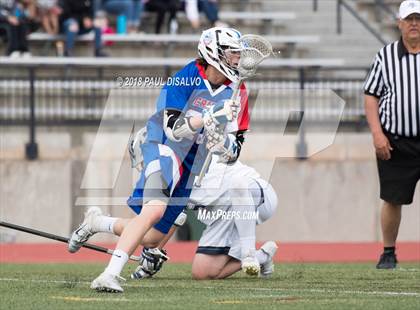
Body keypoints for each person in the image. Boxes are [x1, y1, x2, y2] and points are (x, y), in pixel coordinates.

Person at [69, 27, 250, 292]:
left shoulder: (238, 90)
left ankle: (97, 223)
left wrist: (222, 142)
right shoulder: (185, 79)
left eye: (238, 54)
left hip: (192, 164)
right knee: (154, 210)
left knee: (152, 239)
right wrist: (211, 117)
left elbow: (234, 151)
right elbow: (173, 128)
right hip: (163, 148)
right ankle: (109, 274)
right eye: (233, 53)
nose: (237, 59)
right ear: (214, 52)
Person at [131, 158, 279, 280]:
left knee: (238, 185)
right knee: (202, 272)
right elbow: (175, 217)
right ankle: (263, 256)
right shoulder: (172, 169)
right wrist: (153, 251)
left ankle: (249, 254)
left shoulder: (180, 163)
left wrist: (151, 251)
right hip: (224, 212)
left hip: (257, 195)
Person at [363, 0, 420, 270]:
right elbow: (371, 96)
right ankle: (388, 252)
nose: (414, 24)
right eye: (409, 19)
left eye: (419, 19)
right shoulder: (386, 56)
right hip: (395, 141)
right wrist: (377, 134)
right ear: (399, 23)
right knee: (393, 198)